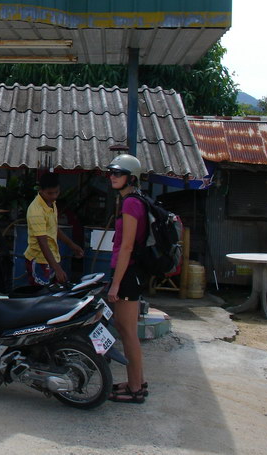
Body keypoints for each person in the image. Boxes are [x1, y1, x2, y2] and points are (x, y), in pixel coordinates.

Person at [106, 153, 149, 404]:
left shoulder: (131, 203)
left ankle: (135, 388)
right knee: (126, 329)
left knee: (128, 332)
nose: (113, 176)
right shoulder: (132, 200)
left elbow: (127, 247)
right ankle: (137, 381)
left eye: (118, 173)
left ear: (131, 178)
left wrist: (115, 283)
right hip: (129, 273)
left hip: (127, 273)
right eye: (111, 172)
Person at [24, 172, 83, 286]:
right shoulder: (36, 211)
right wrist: (57, 268)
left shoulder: (52, 203)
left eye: (56, 192)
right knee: (41, 297)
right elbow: (42, 242)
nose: (54, 196)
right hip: (39, 260)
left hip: (52, 258)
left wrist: (72, 245)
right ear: (41, 190)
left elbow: (54, 229)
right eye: (50, 193)